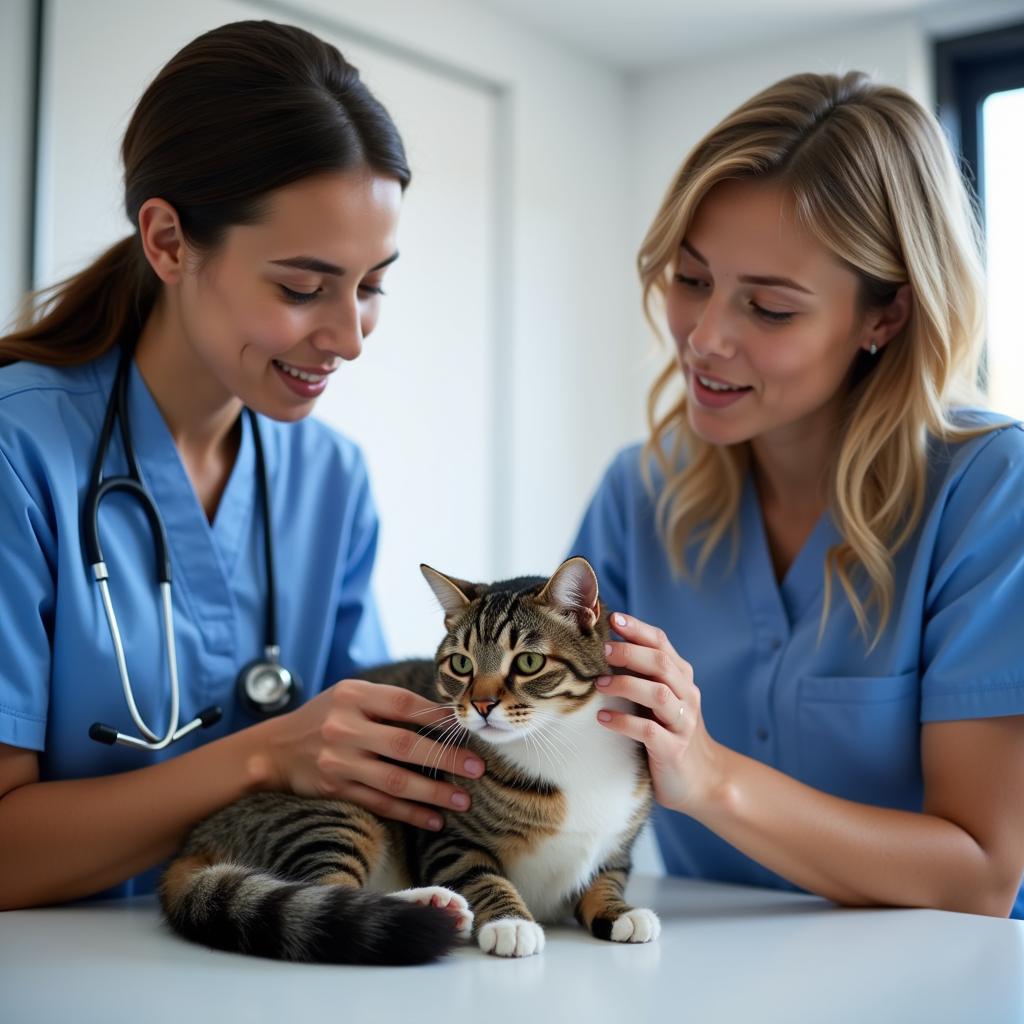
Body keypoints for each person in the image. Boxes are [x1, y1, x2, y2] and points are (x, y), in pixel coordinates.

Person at [0, 20, 484, 911]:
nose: (347, 338)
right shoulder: (18, 453)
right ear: (170, 242)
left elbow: (360, 761)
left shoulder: (328, 479)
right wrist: (265, 757)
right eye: (302, 288)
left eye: (371, 285)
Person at [570, 71, 1024, 918]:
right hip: (707, 967)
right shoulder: (639, 495)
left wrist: (707, 776)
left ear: (884, 317)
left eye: (769, 309)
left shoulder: (990, 492)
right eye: (692, 279)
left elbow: (981, 877)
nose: (704, 342)